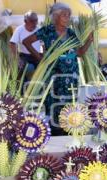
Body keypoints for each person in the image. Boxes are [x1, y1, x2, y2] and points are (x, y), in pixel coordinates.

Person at [23, 3, 93, 135]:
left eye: (68, 15)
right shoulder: (47, 31)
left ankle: (68, 128)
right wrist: (40, 58)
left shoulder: (71, 33)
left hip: (71, 74)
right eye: (64, 15)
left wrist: (89, 41)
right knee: (53, 100)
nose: (67, 18)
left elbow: (79, 53)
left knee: (70, 101)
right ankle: (54, 131)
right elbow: (26, 42)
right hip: (54, 75)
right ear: (55, 16)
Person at [10, 11, 42, 79]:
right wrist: (17, 59)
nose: (34, 23)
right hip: (25, 56)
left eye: (36, 20)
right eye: (32, 21)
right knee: (26, 69)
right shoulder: (19, 29)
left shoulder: (39, 29)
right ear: (25, 21)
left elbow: (43, 44)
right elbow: (13, 43)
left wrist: (43, 56)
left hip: (37, 55)